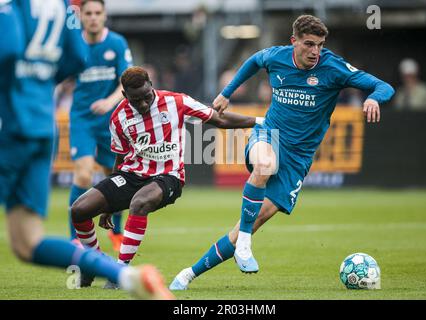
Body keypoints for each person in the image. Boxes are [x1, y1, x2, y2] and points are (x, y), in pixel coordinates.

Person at [169, 14, 395, 290]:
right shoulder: (276, 57)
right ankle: (246, 244)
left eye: (320, 45)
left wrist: (373, 97)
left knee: (247, 224)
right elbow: (254, 61)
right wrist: (226, 93)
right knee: (265, 165)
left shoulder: (333, 68)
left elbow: (384, 86)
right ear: (294, 41)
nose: (315, 52)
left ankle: (187, 275)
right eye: (309, 44)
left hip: (298, 159)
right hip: (270, 134)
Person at [0, 0, 173, 299]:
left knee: (113, 176)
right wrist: (40, 84)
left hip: (16, 121)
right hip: (43, 122)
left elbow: (8, 50)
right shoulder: (63, 8)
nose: (91, 18)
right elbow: (76, 57)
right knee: (27, 241)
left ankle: (112, 237)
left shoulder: (12, 7)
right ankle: (124, 274)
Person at [70, 66, 264, 289]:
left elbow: (218, 119)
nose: (143, 104)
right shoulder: (118, 117)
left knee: (140, 202)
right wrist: (109, 205)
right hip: (131, 175)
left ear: (151, 86)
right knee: (79, 210)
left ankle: (118, 272)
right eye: (136, 100)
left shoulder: (176, 101)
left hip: (168, 176)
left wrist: (260, 122)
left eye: (146, 97)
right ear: (124, 96)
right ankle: (94, 266)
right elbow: (121, 158)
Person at [68, 0, 131, 251]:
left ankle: (116, 230)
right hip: (82, 118)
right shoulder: (73, 43)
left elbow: (125, 82)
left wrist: (108, 102)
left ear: (104, 16)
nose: (93, 17)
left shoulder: (116, 43)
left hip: (111, 120)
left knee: (112, 177)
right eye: (88, 13)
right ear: (81, 16)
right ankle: (75, 238)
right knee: (83, 174)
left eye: (98, 13)